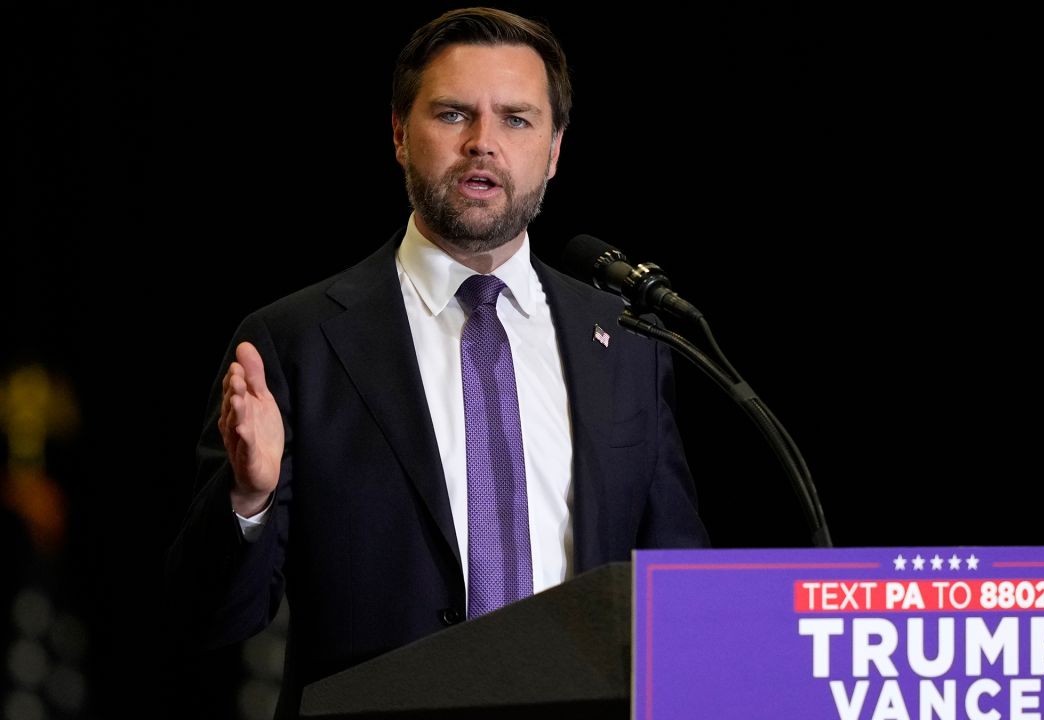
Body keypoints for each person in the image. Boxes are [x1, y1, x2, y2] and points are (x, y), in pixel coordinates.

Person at [165, 7, 709, 718]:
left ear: (553, 150)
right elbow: (208, 619)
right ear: (398, 133)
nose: (483, 143)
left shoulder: (629, 340)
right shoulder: (294, 343)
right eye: (453, 114)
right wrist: (250, 499)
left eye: (516, 119)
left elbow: (680, 588)